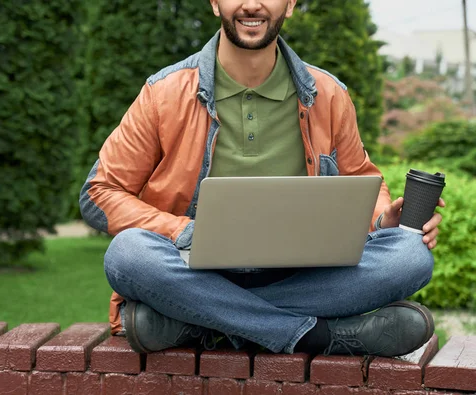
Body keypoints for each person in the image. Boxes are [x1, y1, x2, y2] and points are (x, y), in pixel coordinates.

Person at [79, 0, 445, 356]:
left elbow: (362, 178)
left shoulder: (329, 94)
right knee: (127, 255)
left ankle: (203, 323)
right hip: (193, 268)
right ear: (214, 3)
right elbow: (100, 193)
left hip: (300, 276)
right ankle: (316, 336)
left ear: (289, 4)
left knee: (411, 256)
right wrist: (181, 230)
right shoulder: (164, 94)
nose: (251, 5)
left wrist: (384, 218)